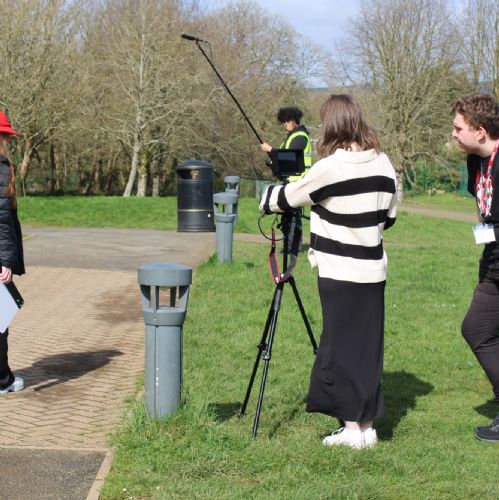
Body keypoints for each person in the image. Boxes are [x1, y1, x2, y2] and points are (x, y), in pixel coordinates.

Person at [260, 94, 397, 449]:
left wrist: (266, 198)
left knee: (340, 349)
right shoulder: (384, 163)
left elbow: (288, 197)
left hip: (340, 271)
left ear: (332, 126)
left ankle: (352, 430)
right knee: (367, 349)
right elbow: (389, 217)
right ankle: (367, 428)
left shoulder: (331, 167)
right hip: (373, 271)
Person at [451, 92, 499, 442]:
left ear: (480, 131)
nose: (453, 134)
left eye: (458, 128)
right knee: (477, 329)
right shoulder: (474, 162)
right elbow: (482, 205)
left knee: (479, 330)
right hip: (493, 262)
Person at [0, 111, 25, 394]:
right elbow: (2, 219)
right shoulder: (1, 168)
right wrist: (6, 261)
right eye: (4, 136)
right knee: (0, 318)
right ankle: (3, 380)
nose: (7, 141)